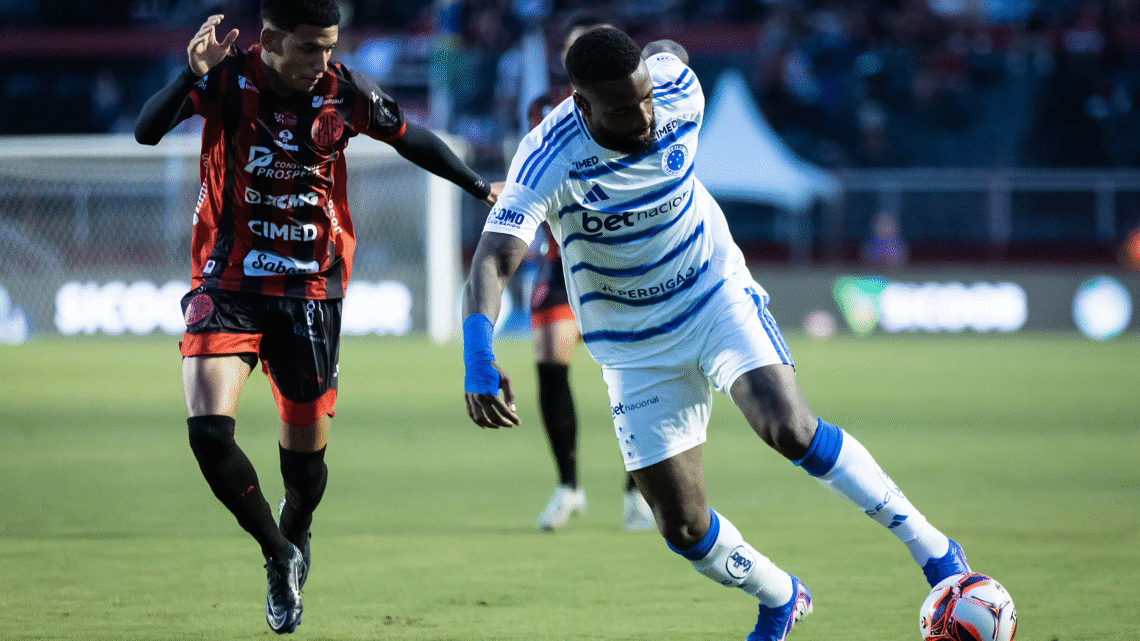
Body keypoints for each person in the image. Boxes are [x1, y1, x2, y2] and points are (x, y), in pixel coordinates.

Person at [461, 28, 972, 640]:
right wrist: (478, 352)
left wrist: (660, 57)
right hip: (633, 348)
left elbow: (669, 55)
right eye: (623, 110)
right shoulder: (547, 156)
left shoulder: (677, 91)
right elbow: (493, 259)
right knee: (681, 525)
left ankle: (936, 553)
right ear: (582, 104)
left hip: (713, 295)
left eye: (645, 98)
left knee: (789, 426)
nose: (644, 118)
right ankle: (780, 595)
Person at [135, 1, 497, 634]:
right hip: (227, 280)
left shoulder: (344, 93)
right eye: (310, 48)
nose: (322, 61)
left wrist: (480, 186)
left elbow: (411, 138)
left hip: (310, 290)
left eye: (331, 47)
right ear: (272, 41)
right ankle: (279, 554)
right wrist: (190, 73)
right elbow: (147, 131)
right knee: (208, 433)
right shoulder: (227, 79)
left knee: (303, 470)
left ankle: (296, 528)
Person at [525, 13, 653, 532]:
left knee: (635, 372)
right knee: (550, 359)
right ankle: (568, 486)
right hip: (564, 256)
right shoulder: (545, 108)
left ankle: (639, 491)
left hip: (624, 257)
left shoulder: (640, 103)